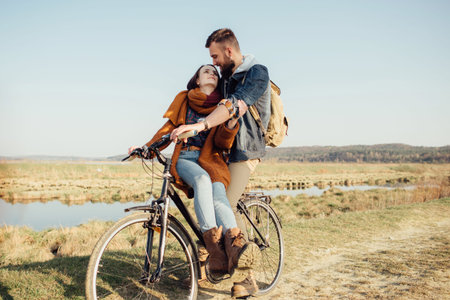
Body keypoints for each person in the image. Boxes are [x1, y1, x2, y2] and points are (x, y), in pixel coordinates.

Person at [129, 64, 259, 286]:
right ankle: (214, 249)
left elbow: (221, 142)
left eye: (214, 72)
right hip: (186, 159)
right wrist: (146, 147)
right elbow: (167, 128)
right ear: (197, 80)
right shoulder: (184, 100)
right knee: (201, 181)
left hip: (212, 161)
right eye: (206, 71)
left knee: (219, 195)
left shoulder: (222, 106)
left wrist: (230, 123)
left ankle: (235, 249)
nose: (212, 73)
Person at [170, 28, 271, 298]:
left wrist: (201, 124)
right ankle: (210, 261)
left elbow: (235, 104)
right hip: (220, 154)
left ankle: (247, 278)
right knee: (210, 199)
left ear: (228, 50)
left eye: (215, 56)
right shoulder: (225, 78)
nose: (213, 62)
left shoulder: (257, 72)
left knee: (223, 200)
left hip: (244, 152)